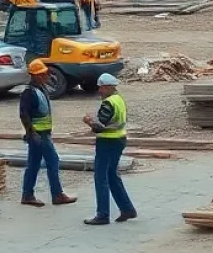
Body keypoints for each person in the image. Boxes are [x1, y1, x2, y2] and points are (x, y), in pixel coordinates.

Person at [19, 61, 77, 208]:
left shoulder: (41, 89)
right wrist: (32, 133)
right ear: (35, 75)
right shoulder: (29, 93)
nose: (45, 76)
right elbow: (24, 115)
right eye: (42, 74)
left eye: (45, 74)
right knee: (53, 161)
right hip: (39, 135)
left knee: (33, 164)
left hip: (42, 134)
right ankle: (57, 194)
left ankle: (27, 195)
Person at [83, 73, 136, 225]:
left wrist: (89, 122)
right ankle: (127, 209)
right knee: (112, 175)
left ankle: (102, 214)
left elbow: (100, 127)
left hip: (107, 142)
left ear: (107, 87)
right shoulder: (119, 99)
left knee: (101, 177)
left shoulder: (108, 103)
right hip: (119, 139)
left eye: (100, 87)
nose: (99, 91)